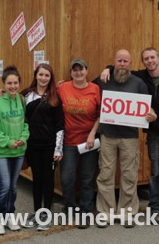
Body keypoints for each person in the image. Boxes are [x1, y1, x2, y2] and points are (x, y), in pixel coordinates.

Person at [100, 47, 159, 222]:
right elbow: (89, 85)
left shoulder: (154, 80)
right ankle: (112, 213)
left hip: (149, 136)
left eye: (152, 57)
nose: (122, 64)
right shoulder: (116, 78)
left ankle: (145, 212)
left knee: (146, 175)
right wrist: (107, 68)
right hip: (124, 135)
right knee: (110, 175)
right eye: (119, 61)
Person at [94, 49, 156, 228]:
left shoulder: (139, 83)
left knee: (129, 175)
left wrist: (151, 115)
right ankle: (106, 213)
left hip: (129, 137)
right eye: (119, 61)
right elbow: (85, 87)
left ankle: (127, 213)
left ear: (130, 63)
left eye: (125, 61)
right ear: (114, 62)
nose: (122, 64)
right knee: (106, 174)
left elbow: (147, 108)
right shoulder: (104, 79)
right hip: (107, 135)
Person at [19, 63, 64, 231]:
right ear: (36, 75)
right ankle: (36, 212)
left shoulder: (55, 98)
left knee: (48, 180)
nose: (44, 78)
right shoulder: (26, 95)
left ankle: (46, 213)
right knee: (36, 180)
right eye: (41, 74)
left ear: (50, 78)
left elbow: (60, 125)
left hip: (49, 146)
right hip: (33, 145)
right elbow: (10, 101)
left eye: (47, 75)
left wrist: (58, 149)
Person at [57, 58, 101, 229]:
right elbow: (38, 91)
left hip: (89, 142)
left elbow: (100, 114)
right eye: (74, 70)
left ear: (86, 70)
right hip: (68, 141)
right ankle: (70, 209)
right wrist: (1, 92)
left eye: (81, 69)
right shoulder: (62, 87)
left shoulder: (95, 89)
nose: (78, 73)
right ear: (71, 73)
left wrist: (92, 134)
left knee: (87, 178)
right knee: (67, 178)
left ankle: (85, 211)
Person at [0, 65, 30, 236]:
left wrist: (23, 138)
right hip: (2, 151)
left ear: (19, 83)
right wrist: (9, 142)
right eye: (9, 83)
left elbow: (26, 123)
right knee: (4, 185)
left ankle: (9, 215)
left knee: (13, 186)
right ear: (3, 84)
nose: (13, 86)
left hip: (18, 151)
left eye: (15, 83)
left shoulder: (21, 100)